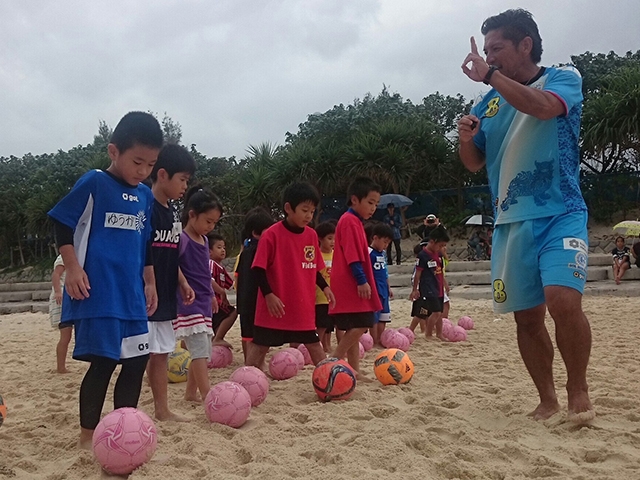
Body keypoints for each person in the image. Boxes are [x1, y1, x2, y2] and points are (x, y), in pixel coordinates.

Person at [458, 8, 594, 422]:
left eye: (496, 48)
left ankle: (577, 389)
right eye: (486, 50)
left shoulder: (564, 78)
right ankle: (547, 398)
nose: (490, 56)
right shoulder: (489, 102)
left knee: (563, 300)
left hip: (562, 212)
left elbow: (543, 108)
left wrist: (489, 77)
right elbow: (474, 163)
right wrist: (465, 138)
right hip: (510, 222)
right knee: (528, 318)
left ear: (525, 45)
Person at [47, 111, 163, 449]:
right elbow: (62, 224)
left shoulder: (144, 195)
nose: (143, 172)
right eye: (137, 162)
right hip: (98, 294)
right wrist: (72, 268)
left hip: (131, 297)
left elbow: (146, 244)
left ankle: (123, 430)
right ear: (114, 151)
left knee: (136, 362)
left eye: (150, 165)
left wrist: (151, 282)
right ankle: (87, 437)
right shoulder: (95, 182)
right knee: (104, 363)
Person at [245, 182, 335, 370]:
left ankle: (330, 381)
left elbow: (314, 269)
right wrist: (269, 295)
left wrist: (325, 287)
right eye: (304, 210)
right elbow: (258, 269)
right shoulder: (271, 235)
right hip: (274, 308)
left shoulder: (311, 235)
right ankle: (245, 382)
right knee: (260, 348)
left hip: (302, 309)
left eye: (312, 211)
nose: (309, 216)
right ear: (288, 208)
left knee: (314, 346)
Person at [146, 143, 196, 422]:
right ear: (162, 174)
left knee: (162, 353)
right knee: (142, 355)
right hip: (146, 295)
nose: (184, 187)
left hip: (167, 295)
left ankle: (162, 410)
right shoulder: (147, 207)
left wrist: (182, 282)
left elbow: (171, 252)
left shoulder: (173, 212)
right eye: (182, 180)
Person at [173, 186, 224, 402]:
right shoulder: (182, 238)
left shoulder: (204, 241)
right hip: (189, 302)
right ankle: (207, 395)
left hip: (203, 302)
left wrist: (212, 294)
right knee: (200, 351)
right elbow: (171, 264)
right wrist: (184, 283)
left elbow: (204, 271)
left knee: (203, 349)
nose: (210, 227)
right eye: (208, 221)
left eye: (214, 223)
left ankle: (190, 394)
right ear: (192, 215)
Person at [329, 177, 382, 379]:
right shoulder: (350, 221)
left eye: (376, 204)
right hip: (350, 282)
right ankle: (335, 358)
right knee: (361, 323)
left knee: (354, 325)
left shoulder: (354, 221)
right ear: (354, 200)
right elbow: (352, 255)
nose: (373, 208)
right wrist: (361, 280)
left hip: (349, 281)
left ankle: (354, 369)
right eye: (370, 202)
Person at [235, 207, 274, 361]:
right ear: (256, 233)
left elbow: (237, 276)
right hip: (255, 299)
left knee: (248, 335)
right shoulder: (261, 250)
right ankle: (254, 364)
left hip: (245, 300)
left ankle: (248, 362)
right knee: (256, 335)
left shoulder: (245, 252)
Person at [409, 226, 449, 340]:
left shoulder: (439, 254)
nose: (441, 248)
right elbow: (418, 273)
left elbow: (441, 271)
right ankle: (428, 334)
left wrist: (445, 284)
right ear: (432, 241)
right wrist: (415, 289)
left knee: (440, 312)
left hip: (439, 286)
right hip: (428, 288)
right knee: (435, 312)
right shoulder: (423, 255)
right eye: (440, 245)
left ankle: (439, 334)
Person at [208, 232, 238, 347]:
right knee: (233, 312)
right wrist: (221, 291)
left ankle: (215, 339)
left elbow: (230, 284)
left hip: (218, 303)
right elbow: (208, 279)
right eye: (219, 247)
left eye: (224, 247)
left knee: (217, 322)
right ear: (209, 251)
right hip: (212, 302)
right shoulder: (210, 263)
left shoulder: (221, 268)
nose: (223, 250)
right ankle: (218, 338)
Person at [369, 223, 394, 345]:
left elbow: (385, 272)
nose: (386, 245)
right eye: (384, 242)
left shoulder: (382, 254)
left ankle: (380, 338)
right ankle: (374, 339)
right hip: (374, 289)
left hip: (383, 288)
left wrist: (388, 287)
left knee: (384, 316)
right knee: (375, 316)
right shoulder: (368, 252)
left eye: (388, 243)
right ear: (375, 238)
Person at [315, 221, 336, 352]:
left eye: (334, 238)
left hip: (332, 296)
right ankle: (318, 345)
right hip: (319, 296)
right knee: (321, 324)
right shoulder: (318, 255)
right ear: (320, 239)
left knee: (329, 325)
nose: (332, 241)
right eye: (329, 238)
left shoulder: (335, 255)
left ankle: (327, 345)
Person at [49, 254, 72, 374]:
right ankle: (61, 367)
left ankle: (61, 367)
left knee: (66, 336)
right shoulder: (64, 256)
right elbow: (56, 274)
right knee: (65, 335)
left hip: (70, 297)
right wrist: (58, 291)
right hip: (63, 298)